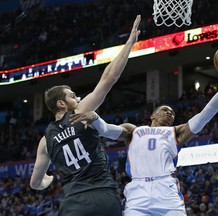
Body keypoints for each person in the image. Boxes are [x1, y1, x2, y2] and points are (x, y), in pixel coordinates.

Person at [70, 64, 218, 215]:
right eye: (165, 109)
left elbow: (204, 116)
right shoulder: (134, 131)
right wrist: (96, 118)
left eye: (172, 112)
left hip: (165, 189)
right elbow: (107, 130)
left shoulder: (175, 132)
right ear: (153, 114)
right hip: (138, 190)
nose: (170, 113)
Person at [29, 15, 141, 216]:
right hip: (104, 199)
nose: (78, 98)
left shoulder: (45, 141)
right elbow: (109, 78)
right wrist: (129, 44)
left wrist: (49, 179)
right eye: (73, 96)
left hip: (74, 204)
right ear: (61, 104)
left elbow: (36, 183)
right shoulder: (79, 114)